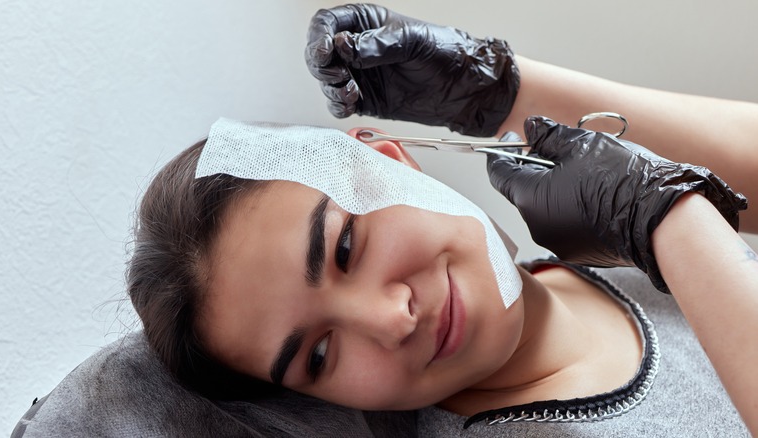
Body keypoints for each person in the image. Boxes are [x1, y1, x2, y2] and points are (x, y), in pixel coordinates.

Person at [302, 3, 758, 435]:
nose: (391, 319)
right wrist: (665, 216)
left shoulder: (607, 270)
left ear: (388, 165)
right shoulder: (646, 235)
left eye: (345, 248)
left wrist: (500, 93)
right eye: (317, 355)